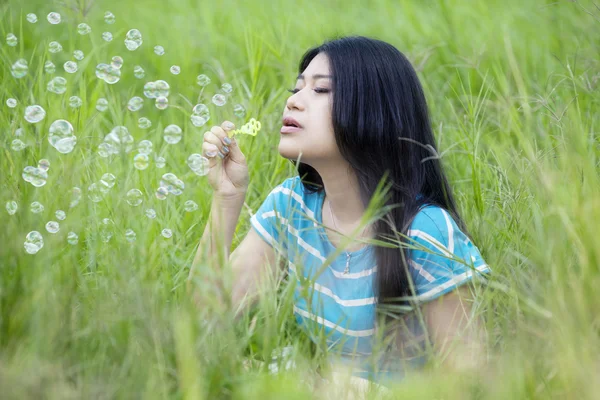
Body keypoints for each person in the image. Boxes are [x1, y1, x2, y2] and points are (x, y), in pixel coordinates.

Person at [189, 35, 492, 388]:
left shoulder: (425, 233)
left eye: (320, 91)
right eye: (297, 87)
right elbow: (205, 318)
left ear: (374, 111)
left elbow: (470, 377)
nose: (293, 101)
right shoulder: (293, 207)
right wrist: (227, 198)